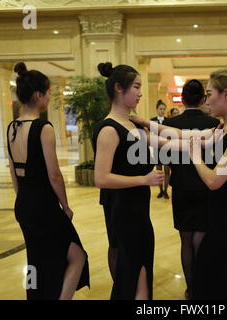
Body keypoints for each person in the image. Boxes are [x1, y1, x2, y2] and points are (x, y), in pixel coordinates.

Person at [131, 69, 227, 299]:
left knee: (216, 281)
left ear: (226, 94)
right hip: (219, 215)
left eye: (210, 94)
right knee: (223, 281)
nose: (206, 100)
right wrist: (145, 129)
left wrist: (195, 155)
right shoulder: (222, 128)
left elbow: (214, 180)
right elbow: (181, 134)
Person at [7, 62, 89, 300]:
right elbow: (54, 174)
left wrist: (23, 199)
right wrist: (65, 205)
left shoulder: (12, 127)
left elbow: (13, 170)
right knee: (77, 256)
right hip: (44, 205)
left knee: (36, 259)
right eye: (50, 92)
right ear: (38, 94)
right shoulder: (43, 127)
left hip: (23, 204)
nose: (51, 97)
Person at [92, 62, 164, 300]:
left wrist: (206, 140)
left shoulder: (133, 124)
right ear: (119, 88)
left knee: (140, 270)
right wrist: (144, 179)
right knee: (133, 270)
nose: (141, 92)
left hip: (138, 209)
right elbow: (101, 178)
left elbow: (168, 143)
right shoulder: (109, 130)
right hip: (125, 211)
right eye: (136, 86)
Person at [162, 79, 220, 299]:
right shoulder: (214, 123)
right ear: (203, 99)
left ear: (183, 99)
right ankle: (204, 286)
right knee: (202, 238)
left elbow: (163, 157)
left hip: (182, 188)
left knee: (185, 241)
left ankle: (190, 288)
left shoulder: (170, 123)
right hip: (207, 187)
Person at [151, 100, 170, 199]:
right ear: (157, 109)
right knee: (159, 171)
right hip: (157, 148)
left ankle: (166, 191)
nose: (162, 111)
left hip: (166, 148)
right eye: (160, 109)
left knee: (167, 170)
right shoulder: (152, 121)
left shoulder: (168, 121)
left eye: (163, 109)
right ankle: (160, 190)